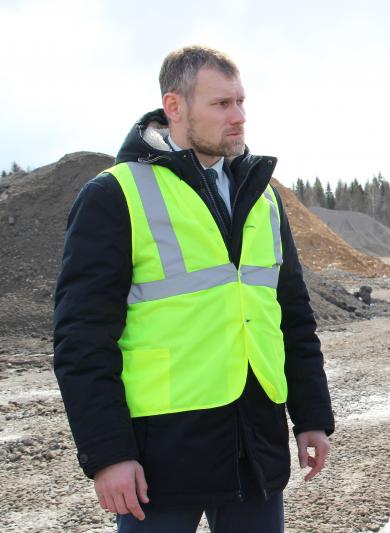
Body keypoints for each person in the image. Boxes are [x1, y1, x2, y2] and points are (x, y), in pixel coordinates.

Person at [53, 45, 334, 533]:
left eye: (241, 102)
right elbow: (81, 339)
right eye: (222, 105)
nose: (239, 117)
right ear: (175, 107)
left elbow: (292, 314)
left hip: (255, 442)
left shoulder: (263, 197)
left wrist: (311, 415)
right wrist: (108, 455)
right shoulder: (115, 195)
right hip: (160, 452)